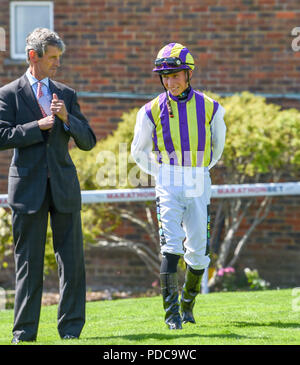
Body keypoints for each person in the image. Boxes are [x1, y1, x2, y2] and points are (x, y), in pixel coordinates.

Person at [0, 28, 96, 343]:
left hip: (64, 189)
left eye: (59, 58)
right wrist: (35, 127)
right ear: (33, 56)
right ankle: (24, 333)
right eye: (52, 58)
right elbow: (2, 136)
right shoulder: (9, 94)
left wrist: (67, 118)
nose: (57, 64)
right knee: (28, 264)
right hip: (27, 191)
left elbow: (87, 141)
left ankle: (70, 331)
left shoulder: (66, 94)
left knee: (72, 264)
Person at [131, 43, 226, 330]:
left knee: (198, 252)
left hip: (198, 177)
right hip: (168, 180)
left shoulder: (211, 107)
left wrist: (199, 171)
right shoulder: (150, 110)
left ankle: (188, 303)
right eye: (165, 77)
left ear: (189, 74)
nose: (170, 82)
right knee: (171, 246)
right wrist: (163, 172)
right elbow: (138, 151)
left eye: (175, 75)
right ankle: (172, 315)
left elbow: (217, 147)